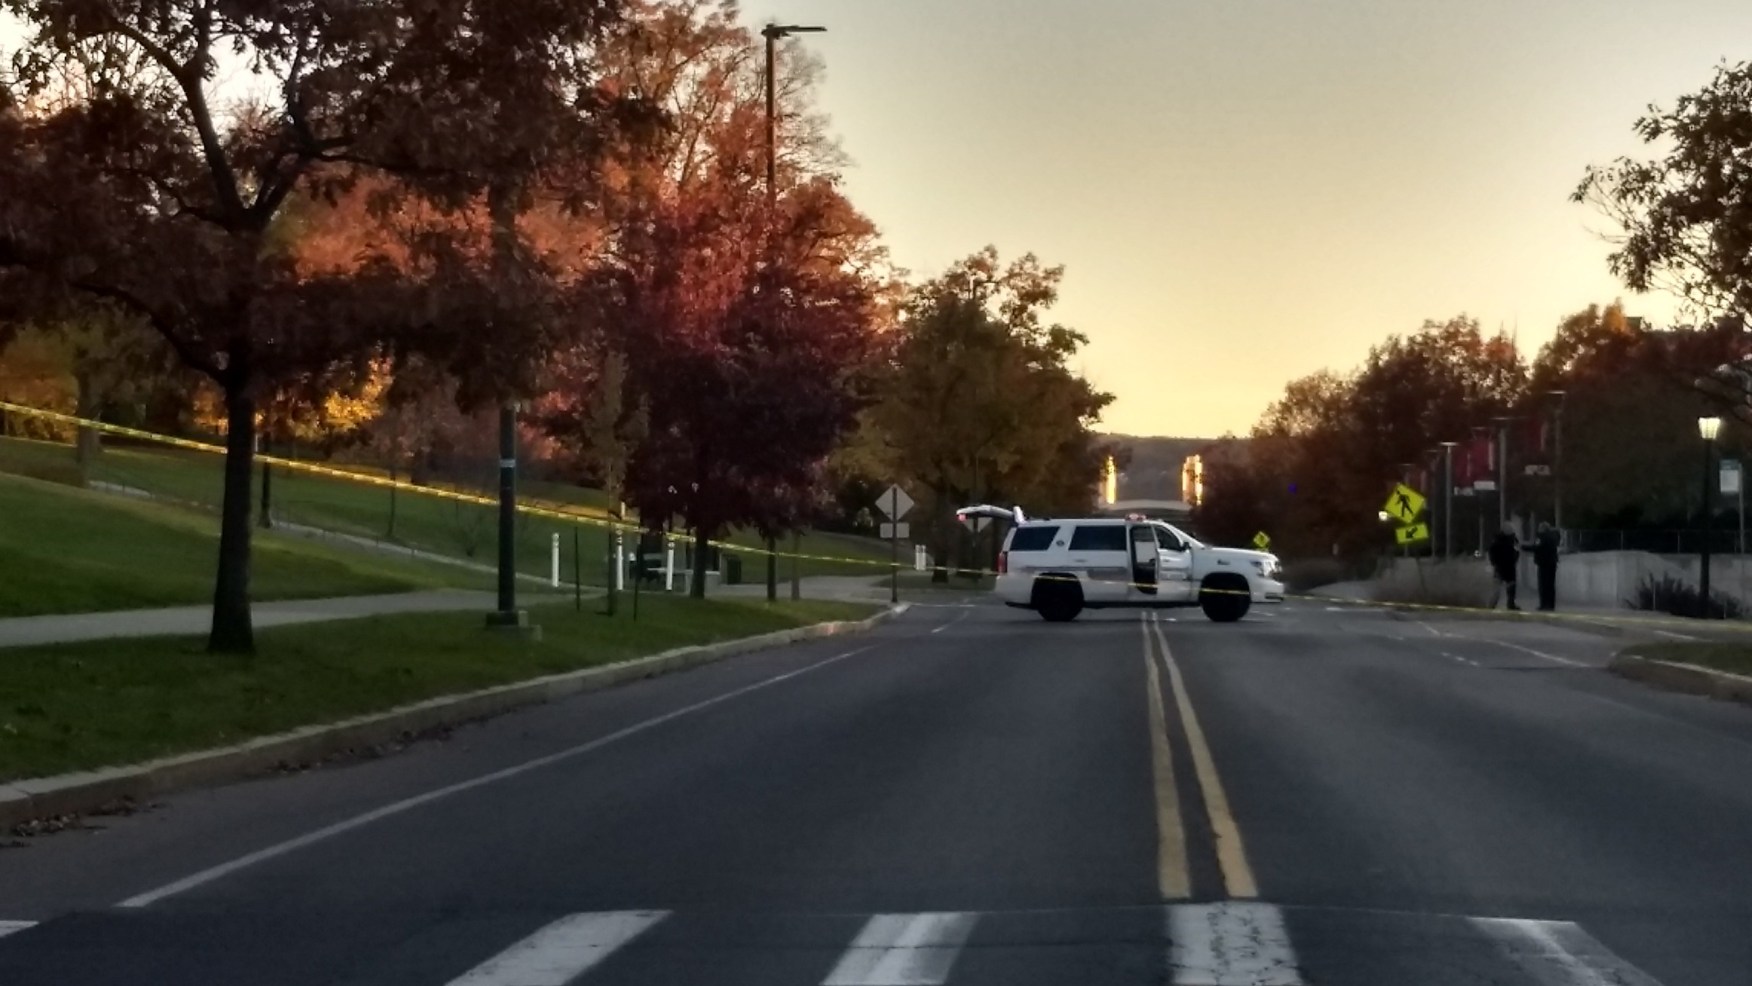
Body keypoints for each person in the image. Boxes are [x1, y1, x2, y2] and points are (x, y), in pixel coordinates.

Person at [1526, 521, 1561, 611]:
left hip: (1543, 564)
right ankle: (1551, 605)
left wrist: (1523, 547)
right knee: (1550, 585)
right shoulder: (1553, 537)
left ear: (1542, 529)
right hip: (1552, 563)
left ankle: (1544, 604)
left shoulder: (1541, 537)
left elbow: (1536, 548)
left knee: (1543, 585)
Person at [1487, 523, 1521, 610]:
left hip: (1508, 567)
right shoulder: (1498, 541)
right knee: (1497, 589)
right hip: (1501, 567)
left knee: (1511, 588)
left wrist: (1515, 559)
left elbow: (1517, 551)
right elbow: (1492, 552)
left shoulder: (1512, 540)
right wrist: (1494, 562)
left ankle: (1510, 604)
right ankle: (1492, 605)